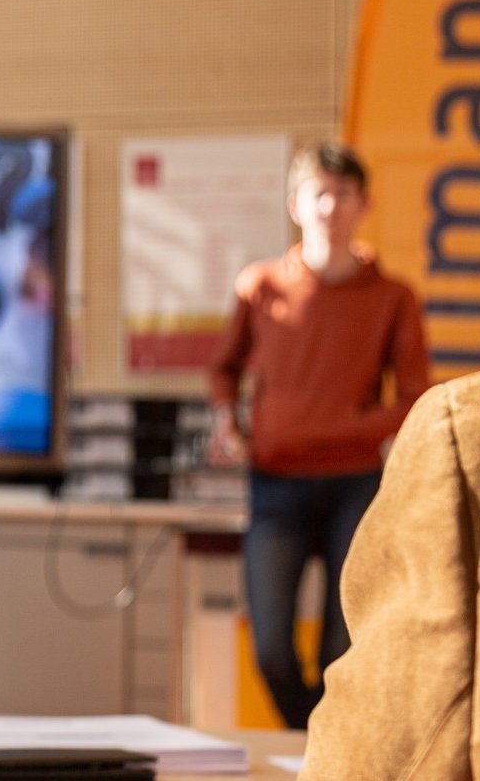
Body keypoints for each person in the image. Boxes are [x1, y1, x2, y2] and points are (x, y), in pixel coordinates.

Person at [205, 141, 430, 730]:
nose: (331, 206)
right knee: (272, 648)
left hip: (357, 486)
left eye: (343, 194)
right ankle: (315, 744)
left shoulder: (392, 297)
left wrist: (351, 428)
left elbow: (414, 396)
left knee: (344, 650)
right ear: (296, 205)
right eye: (319, 193)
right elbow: (223, 369)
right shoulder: (260, 286)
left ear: (365, 203)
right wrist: (227, 418)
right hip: (275, 484)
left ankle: (323, 757)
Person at [300, 366, 480, 779]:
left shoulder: (475, 423)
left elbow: (401, 732)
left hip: (350, 471)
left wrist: (354, 430)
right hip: (279, 473)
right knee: (276, 650)